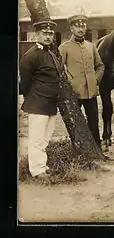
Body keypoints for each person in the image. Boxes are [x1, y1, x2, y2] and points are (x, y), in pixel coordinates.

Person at [19, 20, 62, 182]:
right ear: (37, 34)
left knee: (45, 138)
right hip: (38, 102)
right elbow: (25, 82)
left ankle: (42, 166)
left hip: (50, 103)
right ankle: (36, 171)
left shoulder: (49, 53)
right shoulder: (31, 56)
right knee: (36, 138)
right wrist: (33, 96)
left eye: (50, 33)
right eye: (44, 33)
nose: (47, 36)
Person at [59, 15, 104, 147]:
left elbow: (100, 66)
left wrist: (95, 79)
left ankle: (97, 149)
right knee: (76, 123)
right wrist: (69, 83)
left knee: (94, 122)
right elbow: (60, 69)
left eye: (83, 26)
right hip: (74, 92)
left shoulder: (91, 46)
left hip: (90, 91)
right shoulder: (64, 47)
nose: (80, 29)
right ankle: (78, 149)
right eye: (77, 26)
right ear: (71, 28)